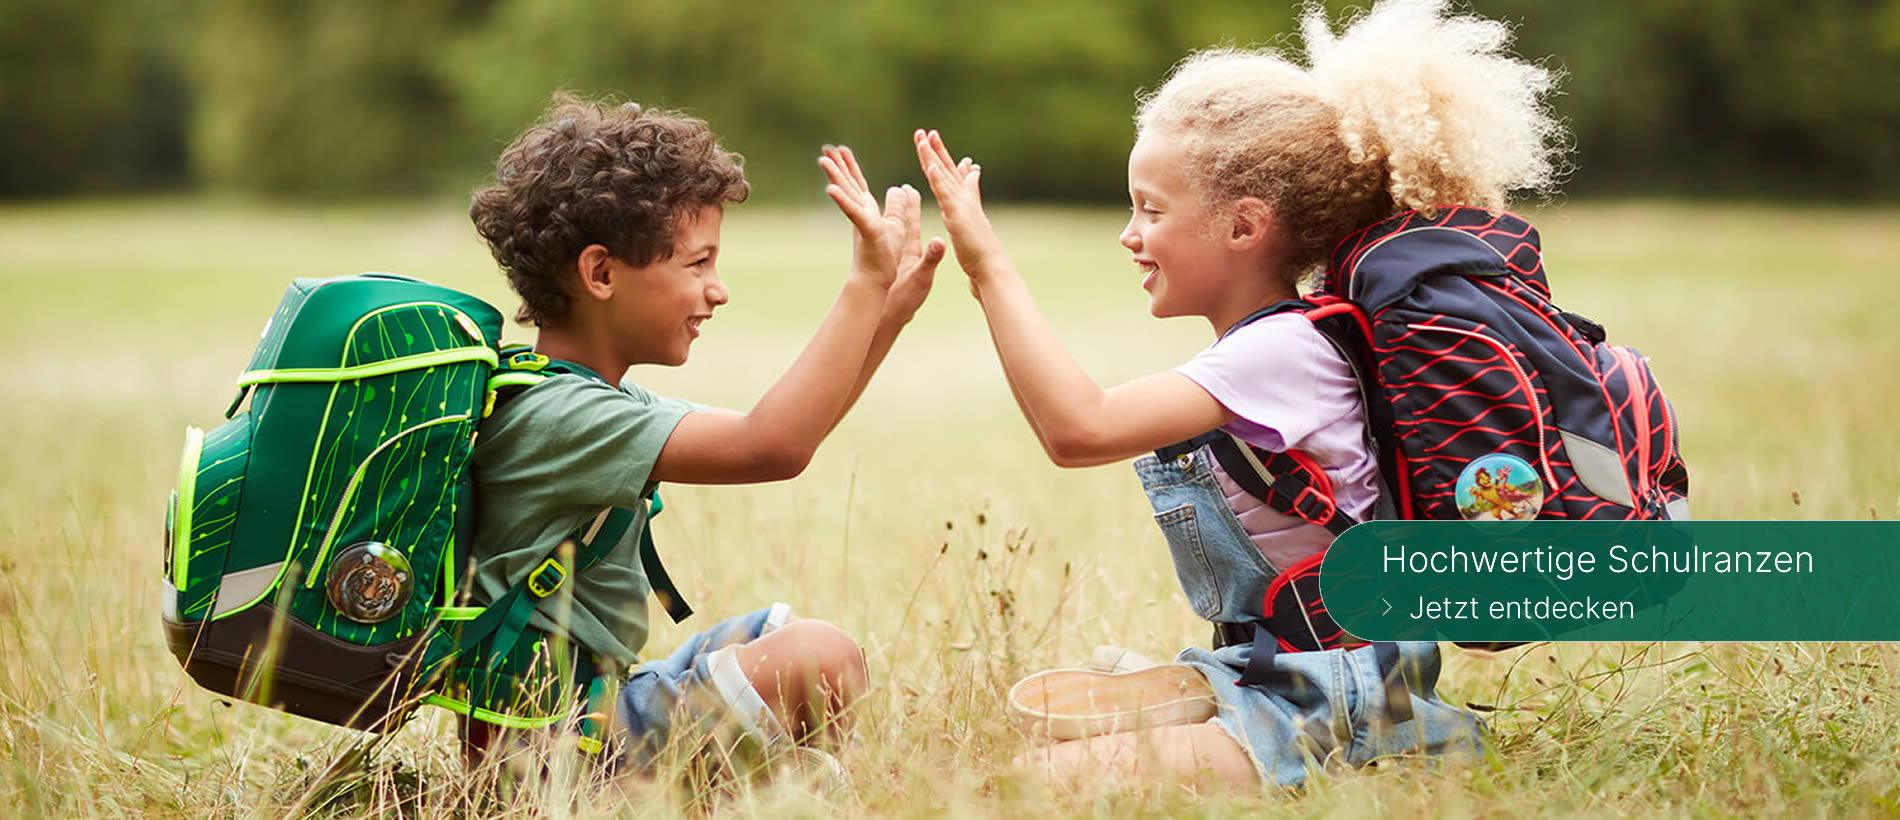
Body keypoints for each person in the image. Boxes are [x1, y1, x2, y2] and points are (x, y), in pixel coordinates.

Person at [914, 0, 1562, 790]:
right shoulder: (1274, 346)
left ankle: (1398, 745)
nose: (1129, 234)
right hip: (1278, 671)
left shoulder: (1278, 354)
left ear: (1244, 227)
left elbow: (1078, 430)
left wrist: (988, 268)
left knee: (1032, 781)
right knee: (1058, 715)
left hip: (1336, 695)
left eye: (1151, 209)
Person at [463, 94, 945, 777]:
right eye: (698, 264)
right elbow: (771, 446)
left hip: (595, 706)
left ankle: (770, 782)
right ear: (601, 273)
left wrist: (885, 313)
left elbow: (788, 430)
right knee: (820, 657)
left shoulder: (584, 397)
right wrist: (864, 284)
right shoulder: (566, 416)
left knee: (775, 633)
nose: (718, 291)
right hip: (549, 750)